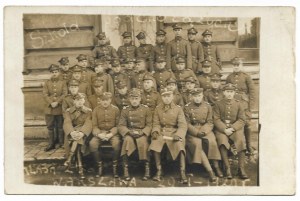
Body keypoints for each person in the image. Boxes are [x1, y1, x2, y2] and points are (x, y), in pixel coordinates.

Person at [149, 88, 188, 184]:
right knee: (155, 144)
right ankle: (159, 170)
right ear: (161, 97)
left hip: (174, 132)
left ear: (172, 96)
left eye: (168, 96)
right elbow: (156, 123)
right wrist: (155, 131)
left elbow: (182, 125)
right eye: (164, 96)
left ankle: (182, 171)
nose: (166, 98)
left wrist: (178, 135)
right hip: (162, 133)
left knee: (180, 145)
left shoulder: (178, 109)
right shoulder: (158, 108)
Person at [184, 88, 223, 181]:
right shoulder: (187, 107)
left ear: (202, 96)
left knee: (212, 141)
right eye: (195, 96)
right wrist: (196, 132)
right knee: (197, 144)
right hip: (192, 131)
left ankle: (216, 167)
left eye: (199, 96)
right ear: (192, 96)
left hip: (205, 129)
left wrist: (204, 131)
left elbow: (210, 121)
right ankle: (210, 171)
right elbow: (187, 123)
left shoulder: (207, 106)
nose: (197, 98)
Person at [213, 83, 248, 179]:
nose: (229, 94)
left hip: (235, 129)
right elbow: (216, 119)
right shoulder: (218, 104)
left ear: (234, 93)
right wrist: (224, 129)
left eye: (231, 92)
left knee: (240, 140)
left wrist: (232, 128)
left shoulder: (239, 103)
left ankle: (241, 168)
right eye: (227, 92)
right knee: (222, 141)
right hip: (222, 129)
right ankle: (227, 168)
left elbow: (242, 119)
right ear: (224, 92)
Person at [118, 88, 152, 181]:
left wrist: (143, 132)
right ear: (129, 99)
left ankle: (147, 168)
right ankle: (125, 169)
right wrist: (129, 132)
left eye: (136, 98)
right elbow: (121, 125)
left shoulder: (146, 109)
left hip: (142, 132)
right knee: (126, 141)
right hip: (130, 132)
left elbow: (149, 125)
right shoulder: (125, 110)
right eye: (132, 99)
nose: (134, 101)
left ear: (140, 99)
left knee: (144, 141)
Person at [226, 57, 256, 155]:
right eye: (234, 65)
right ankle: (233, 146)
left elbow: (252, 92)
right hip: (233, 103)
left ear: (241, 65)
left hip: (244, 104)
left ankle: (248, 145)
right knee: (233, 123)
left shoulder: (246, 77)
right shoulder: (229, 77)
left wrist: (250, 107)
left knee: (247, 124)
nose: (236, 67)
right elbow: (226, 91)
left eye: (238, 65)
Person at [89, 92, 121, 178]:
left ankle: (115, 166)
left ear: (110, 100)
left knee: (117, 144)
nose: (105, 102)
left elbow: (118, 125)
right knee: (92, 144)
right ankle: (100, 165)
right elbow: (94, 126)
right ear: (100, 101)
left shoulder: (116, 109)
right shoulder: (96, 110)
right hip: (100, 132)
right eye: (103, 100)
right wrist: (99, 134)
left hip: (112, 133)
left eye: (107, 100)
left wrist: (111, 134)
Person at [63, 93, 92, 179]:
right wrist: (72, 132)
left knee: (78, 140)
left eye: (82, 100)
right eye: (78, 100)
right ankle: (80, 167)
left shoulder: (88, 111)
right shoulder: (68, 111)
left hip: (83, 133)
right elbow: (67, 122)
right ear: (74, 101)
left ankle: (70, 159)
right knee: (77, 142)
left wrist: (82, 132)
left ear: (84, 101)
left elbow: (88, 123)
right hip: (72, 132)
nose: (80, 102)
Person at [42, 64, 68, 151]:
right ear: (50, 73)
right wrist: (51, 102)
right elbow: (45, 94)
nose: (54, 74)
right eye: (53, 72)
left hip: (59, 107)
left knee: (60, 125)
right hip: (50, 108)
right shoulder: (47, 83)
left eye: (56, 72)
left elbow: (65, 93)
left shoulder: (63, 82)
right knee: (50, 126)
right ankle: (51, 143)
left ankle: (61, 142)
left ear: (59, 72)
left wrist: (57, 102)